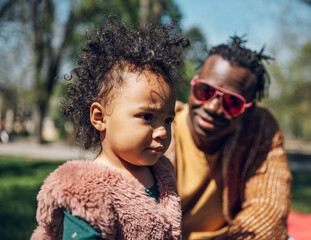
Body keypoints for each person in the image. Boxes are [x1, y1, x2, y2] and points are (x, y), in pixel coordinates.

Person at [31, 16, 189, 240]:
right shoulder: (85, 191)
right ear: (99, 117)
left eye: (168, 120)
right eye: (147, 116)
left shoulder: (162, 174)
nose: (163, 131)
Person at [166, 36, 292, 240]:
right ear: (193, 84)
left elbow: (270, 209)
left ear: (248, 111)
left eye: (232, 102)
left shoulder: (258, 129)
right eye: (205, 91)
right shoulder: (158, 127)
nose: (212, 107)